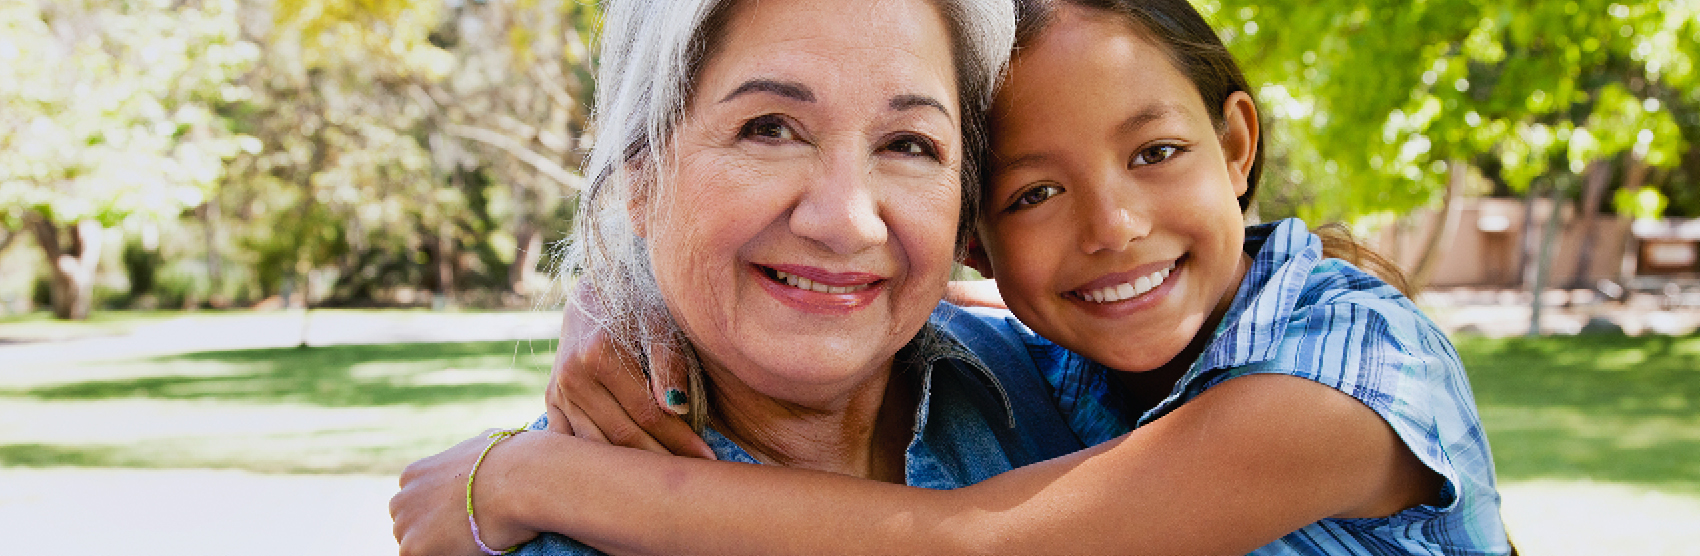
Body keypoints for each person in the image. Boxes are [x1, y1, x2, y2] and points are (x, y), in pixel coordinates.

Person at [399, 0, 1514, 554]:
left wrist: (528, 477)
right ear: (977, 242)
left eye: (908, 145)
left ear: (1235, 144)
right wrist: (617, 289)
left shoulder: (1334, 372)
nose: (1112, 226)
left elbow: (963, 541)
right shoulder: (1082, 365)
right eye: (770, 127)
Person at [390, 0, 1096, 554]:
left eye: (908, 144)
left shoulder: (1082, 389)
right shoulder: (549, 536)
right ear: (639, 174)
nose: (847, 220)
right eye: (769, 129)